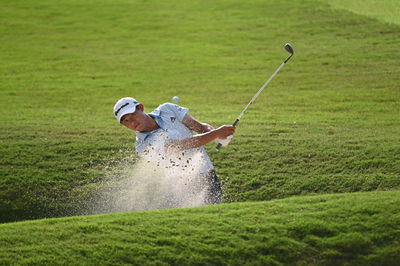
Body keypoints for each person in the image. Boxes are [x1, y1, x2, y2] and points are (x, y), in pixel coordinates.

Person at [113, 97, 235, 206]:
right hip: (180, 187)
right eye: (126, 121)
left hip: (208, 175)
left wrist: (218, 135)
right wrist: (216, 133)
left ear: (140, 108)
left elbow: (199, 127)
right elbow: (183, 145)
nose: (132, 123)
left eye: (132, 115)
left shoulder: (167, 109)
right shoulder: (142, 146)